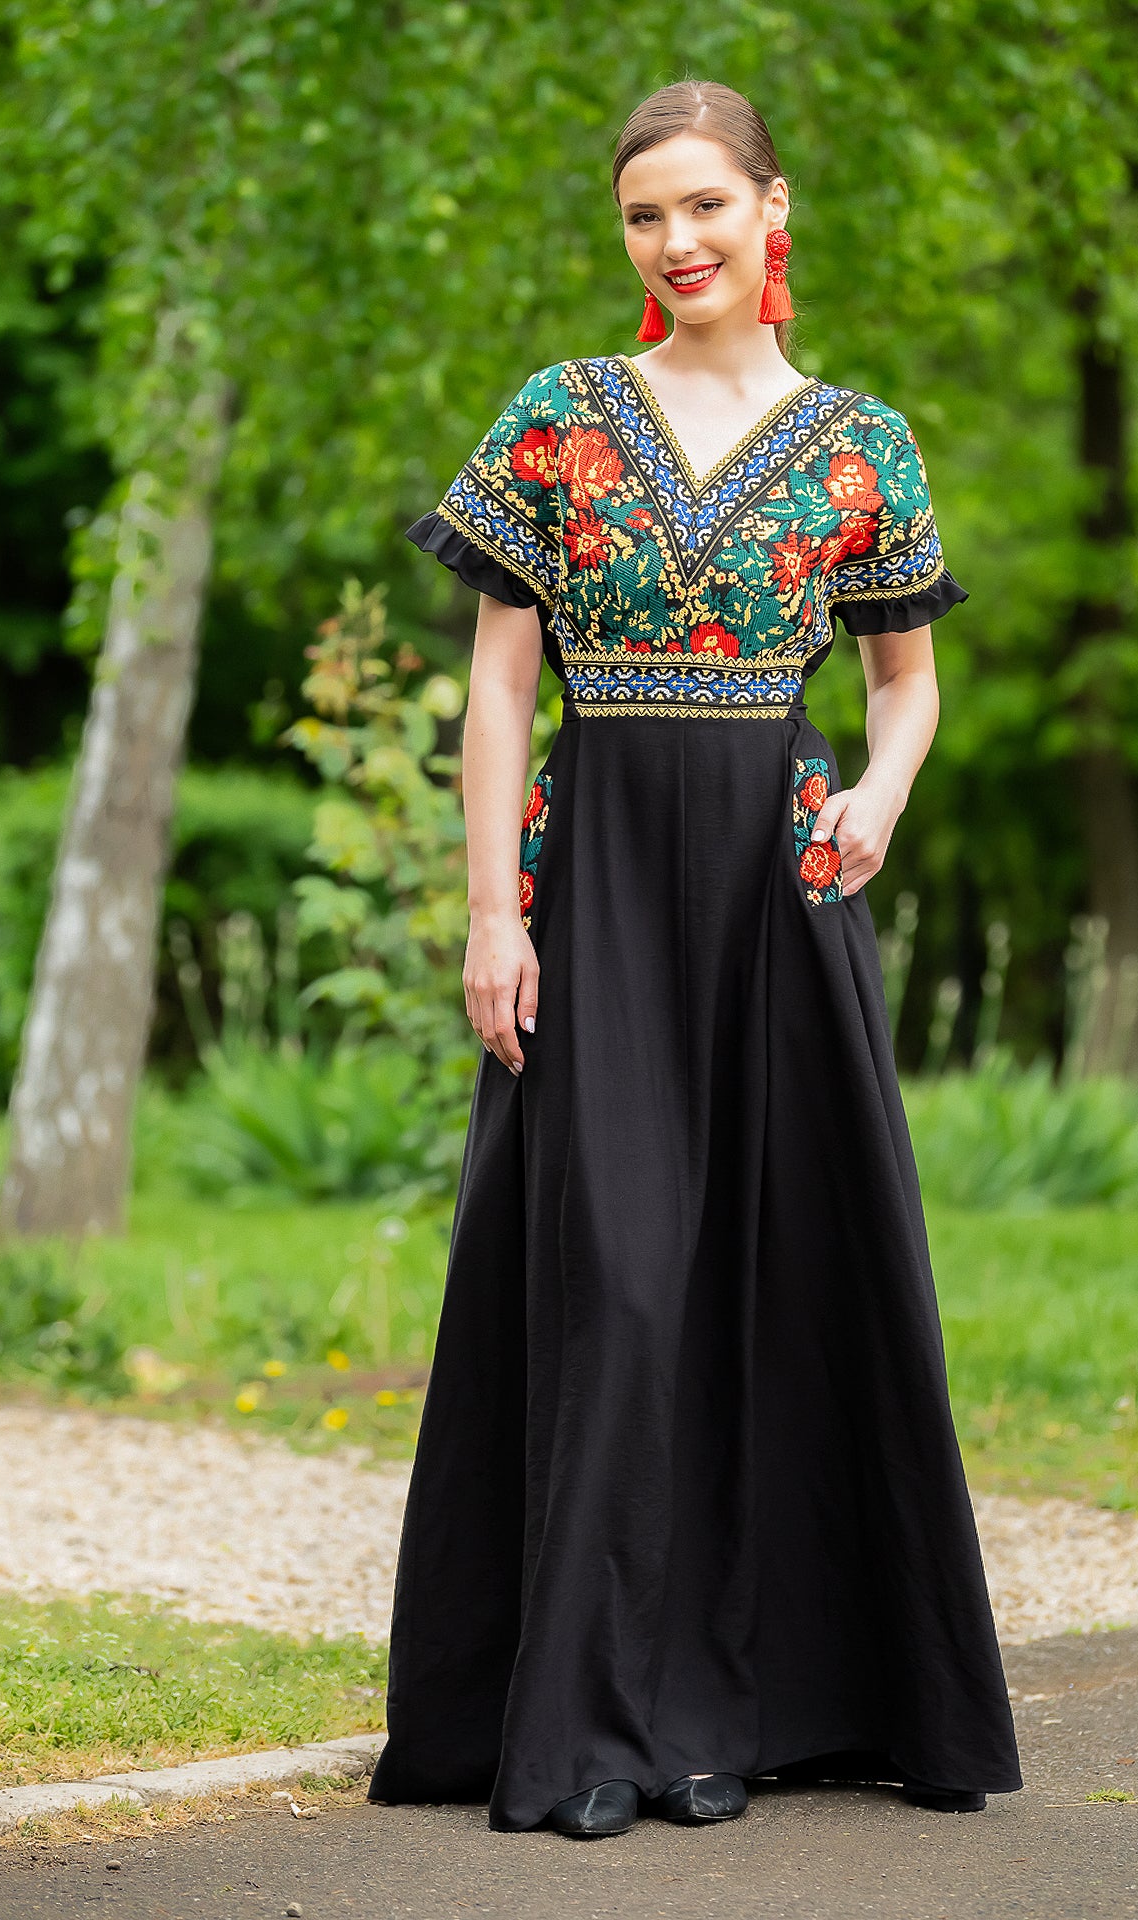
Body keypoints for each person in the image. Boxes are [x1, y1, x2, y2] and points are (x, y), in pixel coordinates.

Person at [368, 78, 1023, 1839]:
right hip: (592, 887)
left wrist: (882, 793)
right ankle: (590, 1723)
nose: (678, 243)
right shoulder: (561, 415)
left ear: (771, 209)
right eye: (646, 216)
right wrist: (493, 911)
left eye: (707, 207)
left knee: (781, 1287)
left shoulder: (863, 443)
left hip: (778, 891)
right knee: (627, 1283)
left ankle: (750, 1713)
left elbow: (904, 681)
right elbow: (501, 683)